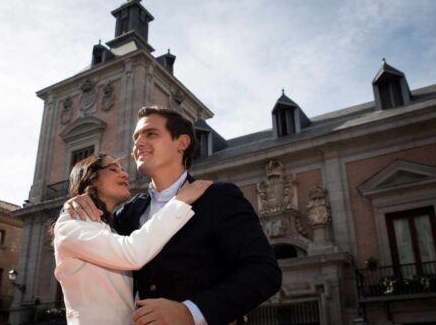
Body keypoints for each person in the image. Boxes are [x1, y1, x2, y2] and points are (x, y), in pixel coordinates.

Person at [66, 106, 282, 325]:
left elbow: (263, 273)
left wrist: (192, 312)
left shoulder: (219, 197)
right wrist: (78, 200)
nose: (137, 144)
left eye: (151, 134)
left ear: (182, 143)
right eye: (136, 137)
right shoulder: (127, 214)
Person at [53, 153, 212, 325]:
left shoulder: (112, 228)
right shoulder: (70, 225)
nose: (125, 174)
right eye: (113, 169)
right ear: (91, 179)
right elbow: (132, 253)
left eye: (122, 169)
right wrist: (180, 201)